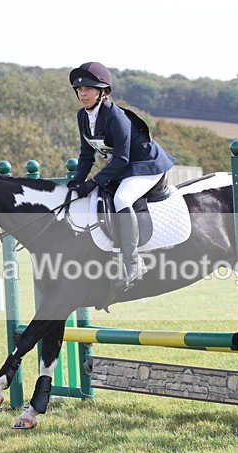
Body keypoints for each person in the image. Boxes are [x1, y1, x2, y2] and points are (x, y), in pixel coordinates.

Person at [67, 61, 176, 290]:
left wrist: (94, 181)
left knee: (121, 199)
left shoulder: (115, 116)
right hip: (125, 168)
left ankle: (132, 263)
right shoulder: (82, 116)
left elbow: (122, 159)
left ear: (102, 91)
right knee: (92, 197)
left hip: (147, 166)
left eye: (88, 89)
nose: (82, 93)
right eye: (79, 89)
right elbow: (86, 156)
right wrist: (77, 182)